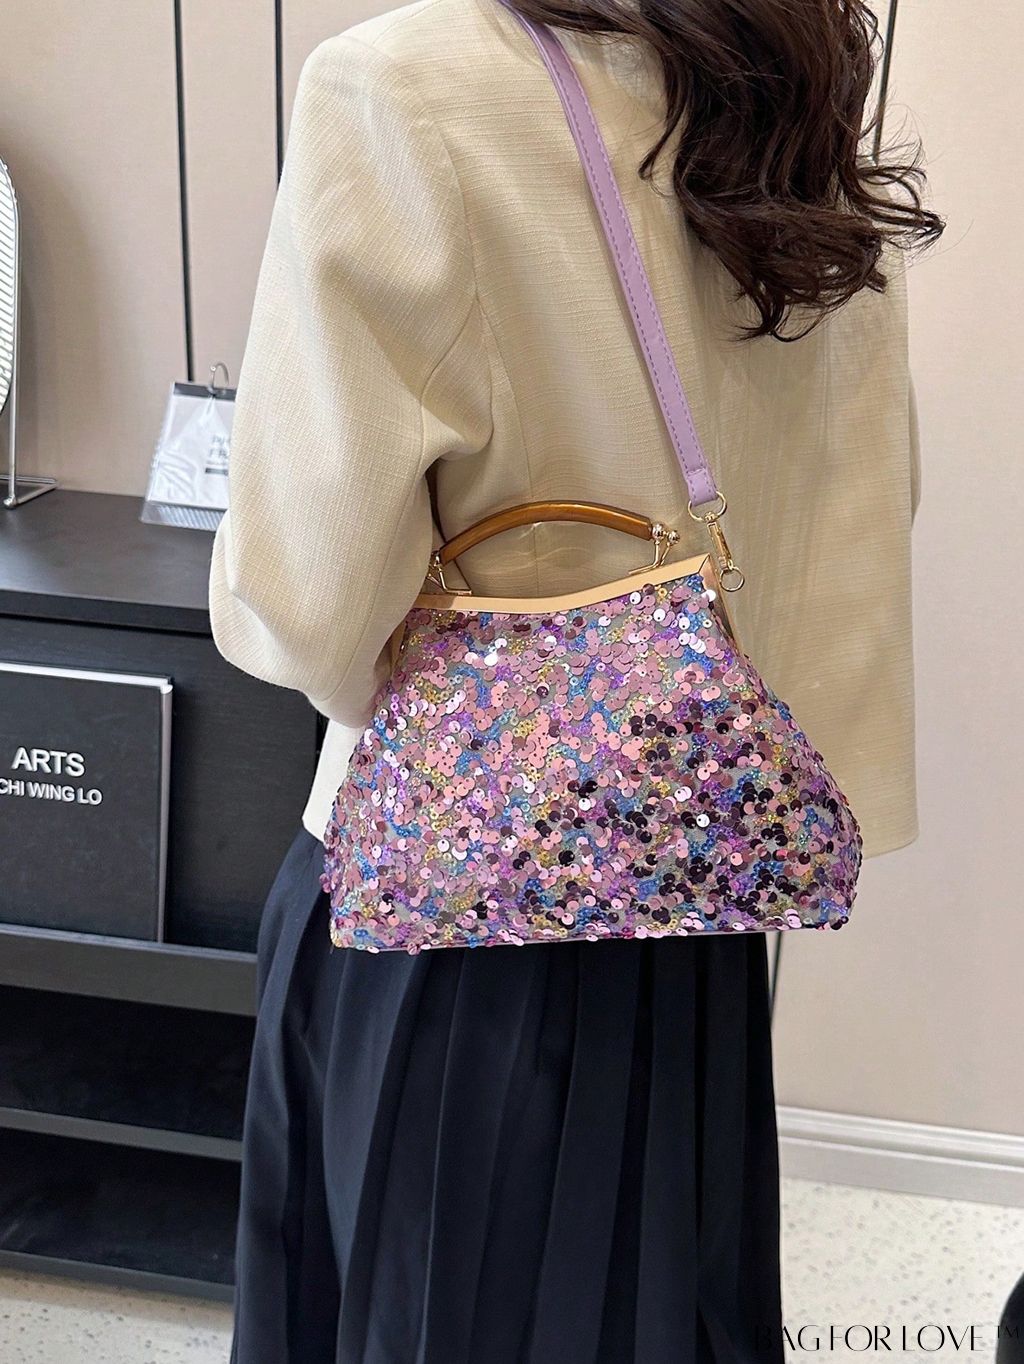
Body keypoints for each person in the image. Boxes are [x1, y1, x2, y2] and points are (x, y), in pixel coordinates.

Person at [208, 0, 942, 1358]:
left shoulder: (401, 88)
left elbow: (305, 599)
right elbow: (865, 496)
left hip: (455, 894)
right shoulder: (787, 71)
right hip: (694, 895)